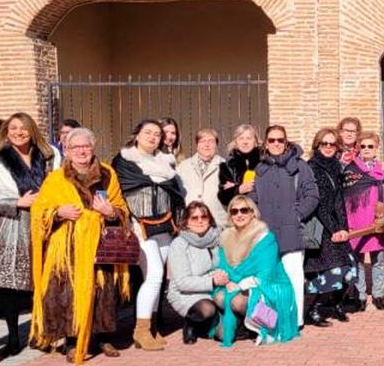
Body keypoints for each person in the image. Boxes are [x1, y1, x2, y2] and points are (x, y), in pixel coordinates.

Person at [30, 127, 131, 365]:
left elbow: (122, 209)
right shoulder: (56, 178)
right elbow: (38, 211)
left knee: (102, 292)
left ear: (93, 148)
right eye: (76, 147)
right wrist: (58, 212)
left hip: (99, 243)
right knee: (67, 293)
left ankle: (103, 336)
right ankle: (73, 340)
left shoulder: (108, 174)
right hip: (66, 248)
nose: (81, 151)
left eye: (86, 146)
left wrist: (110, 212)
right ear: (67, 150)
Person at [0, 112, 59, 357]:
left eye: (23, 128)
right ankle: (13, 336)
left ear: (32, 130)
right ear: (6, 132)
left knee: (43, 278)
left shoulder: (48, 157)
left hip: (44, 222)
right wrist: (17, 201)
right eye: (13, 128)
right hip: (13, 224)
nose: (18, 132)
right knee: (10, 281)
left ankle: (42, 330)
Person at [112, 119, 186, 351]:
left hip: (164, 223)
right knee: (154, 274)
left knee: (155, 276)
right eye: (148, 133)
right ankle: (140, 331)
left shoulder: (166, 161)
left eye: (157, 134)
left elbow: (175, 192)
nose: (153, 137)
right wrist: (160, 182)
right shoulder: (124, 159)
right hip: (138, 223)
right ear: (136, 135)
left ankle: (151, 327)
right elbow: (133, 184)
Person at [251, 125, 318, 328]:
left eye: (280, 140)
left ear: (286, 142)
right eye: (272, 140)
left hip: (291, 230)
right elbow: (252, 196)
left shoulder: (300, 166)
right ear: (265, 143)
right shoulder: (259, 168)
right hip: (265, 231)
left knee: (294, 277)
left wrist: (297, 215)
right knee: (265, 277)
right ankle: (268, 320)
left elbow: (312, 195)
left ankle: (295, 321)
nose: (276, 144)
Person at [215, 196, 300, 345]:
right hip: (235, 284)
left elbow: (266, 274)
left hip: (268, 286)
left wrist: (240, 285)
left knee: (236, 301)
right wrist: (227, 281)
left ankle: (262, 324)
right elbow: (222, 266)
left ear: (252, 213)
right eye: (234, 211)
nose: (239, 215)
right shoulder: (225, 237)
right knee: (219, 297)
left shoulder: (265, 238)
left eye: (244, 210)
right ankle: (242, 322)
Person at [304, 128, 355, 325]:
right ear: (317, 146)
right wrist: (334, 230)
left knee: (351, 269)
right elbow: (319, 204)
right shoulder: (311, 168)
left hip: (337, 226)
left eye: (332, 144)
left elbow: (339, 201)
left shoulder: (336, 167)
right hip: (322, 227)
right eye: (324, 144)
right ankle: (315, 309)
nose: (328, 147)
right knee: (332, 271)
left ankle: (336, 304)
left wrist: (344, 228)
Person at [343, 131, 384, 311]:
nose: (366, 149)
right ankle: (360, 296)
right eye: (363, 146)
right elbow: (344, 197)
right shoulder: (350, 170)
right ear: (358, 148)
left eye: (370, 146)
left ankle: (379, 295)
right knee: (357, 262)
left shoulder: (383, 170)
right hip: (356, 223)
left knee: (378, 261)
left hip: (377, 222)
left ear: (376, 148)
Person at [166, 201, 225, 344]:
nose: (200, 221)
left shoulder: (217, 239)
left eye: (204, 217)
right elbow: (182, 282)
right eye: (194, 217)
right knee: (207, 310)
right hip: (186, 293)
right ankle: (191, 323)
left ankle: (214, 325)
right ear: (186, 221)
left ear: (209, 220)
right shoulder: (179, 244)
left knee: (228, 325)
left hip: (214, 288)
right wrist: (212, 281)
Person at [180, 128, 228, 230]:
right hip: (190, 224)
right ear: (197, 145)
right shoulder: (183, 166)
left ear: (216, 145)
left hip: (218, 224)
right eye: (202, 141)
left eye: (211, 141)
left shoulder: (226, 166)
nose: (207, 145)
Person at [218, 124, 261, 208]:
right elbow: (223, 196)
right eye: (241, 138)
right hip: (239, 214)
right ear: (236, 142)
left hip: (263, 213)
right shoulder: (227, 166)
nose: (245, 142)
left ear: (255, 141)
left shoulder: (264, 162)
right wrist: (238, 189)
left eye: (249, 138)